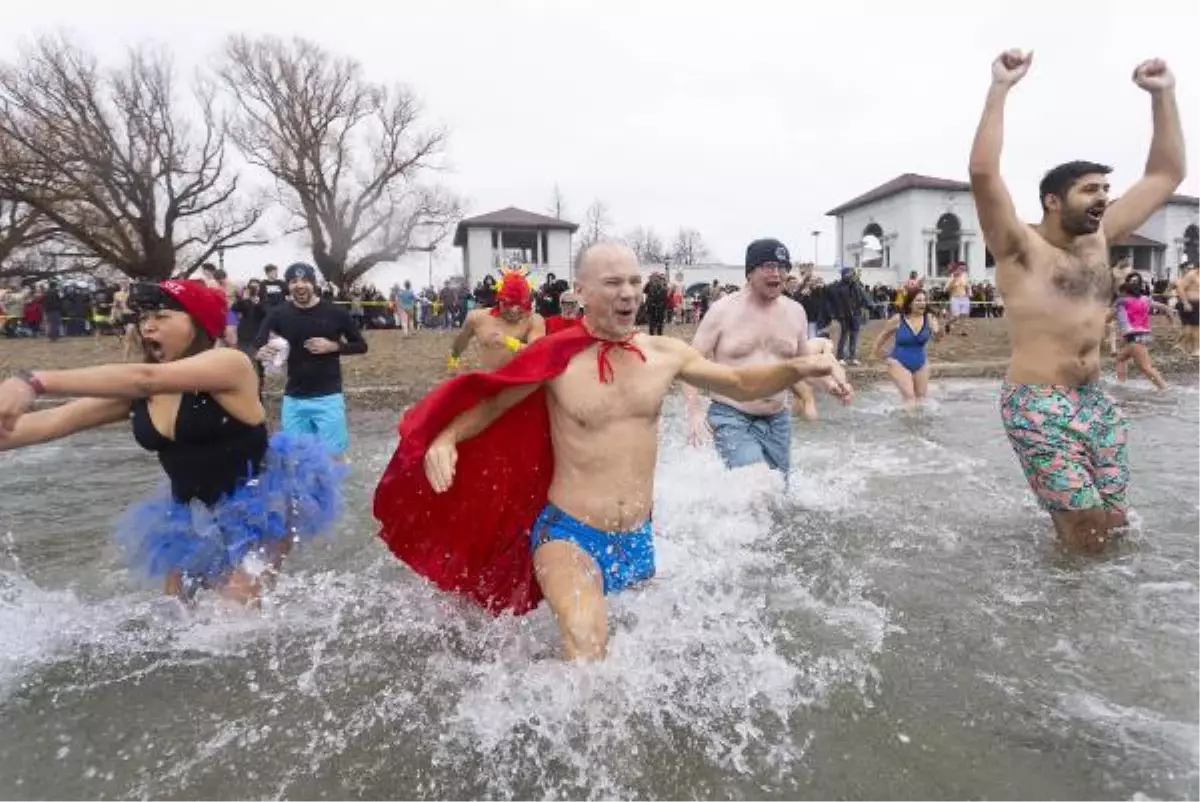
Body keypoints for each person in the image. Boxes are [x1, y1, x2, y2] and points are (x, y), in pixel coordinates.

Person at [373, 243, 851, 661]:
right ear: (581, 291)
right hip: (568, 534)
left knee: (648, 655)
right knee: (587, 643)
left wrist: (799, 368)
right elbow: (495, 399)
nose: (628, 293)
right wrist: (446, 438)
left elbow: (742, 383)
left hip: (637, 539)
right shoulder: (555, 356)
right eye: (612, 282)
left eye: (634, 281)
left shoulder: (665, 353)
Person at [0, 279, 343, 603]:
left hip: (264, 501)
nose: (148, 326)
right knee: (178, 615)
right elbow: (52, 421)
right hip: (191, 512)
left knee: (235, 612)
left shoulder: (231, 363)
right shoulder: (138, 394)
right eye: (144, 318)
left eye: (161, 316)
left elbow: (146, 377)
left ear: (199, 324)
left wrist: (33, 382)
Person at [969, 48, 1186, 553]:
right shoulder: (1019, 246)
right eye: (1090, 190)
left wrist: (1164, 94)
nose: (1103, 198)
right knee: (1086, 526)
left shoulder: (1101, 238)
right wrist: (1000, 87)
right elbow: (983, 174)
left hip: (1095, 398)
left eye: (1106, 189)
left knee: (1113, 523)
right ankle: (1061, 623)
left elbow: (1166, 174)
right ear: (1052, 200)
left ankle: (1082, 607)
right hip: (1037, 401)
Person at [684, 239, 854, 474]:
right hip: (731, 415)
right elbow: (688, 364)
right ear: (750, 271)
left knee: (776, 497)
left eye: (783, 267)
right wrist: (694, 412)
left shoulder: (795, 312)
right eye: (769, 266)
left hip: (777, 419)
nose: (777, 274)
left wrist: (830, 385)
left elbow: (802, 367)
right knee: (758, 484)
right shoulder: (722, 311)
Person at [255, 263, 367, 456]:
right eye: (293, 281)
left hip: (328, 398)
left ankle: (331, 487)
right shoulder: (279, 314)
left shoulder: (335, 313)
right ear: (287, 286)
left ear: (313, 284)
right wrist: (262, 352)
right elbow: (259, 342)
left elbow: (361, 345)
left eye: (305, 280)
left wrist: (334, 346)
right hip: (294, 399)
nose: (300, 285)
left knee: (332, 459)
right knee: (296, 459)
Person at [448, 269, 546, 371]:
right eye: (508, 304)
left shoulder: (534, 320)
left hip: (522, 381)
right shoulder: (477, 318)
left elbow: (538, 352)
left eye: (520, 307)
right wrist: (454, 359)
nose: (513, 311)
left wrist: (510, 342)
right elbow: (462, 340)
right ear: (499, 300)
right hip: (490, 381)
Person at [870, 288, 941, 409]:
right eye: (918, 300)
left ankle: (919, 427)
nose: (922, 303)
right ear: (910, 303)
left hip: (921, 363)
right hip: (898, 362)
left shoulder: (929, 319)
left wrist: (937, 330)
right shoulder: (898, 319)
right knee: (909, 398)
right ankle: (908, 426)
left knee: (921, 399)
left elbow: (937, 340)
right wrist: (874, 352)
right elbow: (883, 336)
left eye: (924, 300)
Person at [1112, 272, 1176, 389]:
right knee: (1121, 358)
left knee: (1145, 367)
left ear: (1125, 292)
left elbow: (1109, 316)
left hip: (1134, 336)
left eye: (1121, 292)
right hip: (1145, 335)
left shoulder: (1122, 301)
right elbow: (1165, 307)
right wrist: (1171, 320)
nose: (1119, 294)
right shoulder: (1145, 299)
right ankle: (1121, 383)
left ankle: (1164, 388)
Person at [1175, 263, 1200, 355]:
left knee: (1196, 327)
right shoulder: (1191, 275)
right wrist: (1186, 303)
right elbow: (1180, 288)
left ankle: (1185, 346)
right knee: (1191, 327)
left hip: (1198, 304)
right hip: (1189, 303)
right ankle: (1193, 348)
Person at [944, 264, 971, 336]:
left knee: (964, 315)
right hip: (955, 298)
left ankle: (963, 331)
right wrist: (954, 280)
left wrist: (968, 294)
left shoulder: (965, 277)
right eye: (960, 269)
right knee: (956, 316)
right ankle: (947, 324)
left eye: (963, 269)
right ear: (956, 269)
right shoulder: (951, 277)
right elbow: (946, 289)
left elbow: (967, 286)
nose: (962, 270)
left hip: (964, 298)